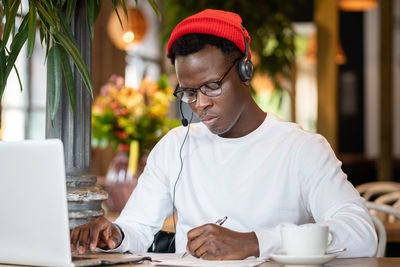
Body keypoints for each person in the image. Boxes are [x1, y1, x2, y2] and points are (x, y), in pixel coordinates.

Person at [70, 9, 377, 260]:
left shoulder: (302, 148)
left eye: (212, 86)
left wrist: (254, 242)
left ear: (246, 71)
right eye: (189, 92)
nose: (200, 103)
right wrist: (115, 233)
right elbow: (137, 227)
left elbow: (361, 233)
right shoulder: (175, 146)